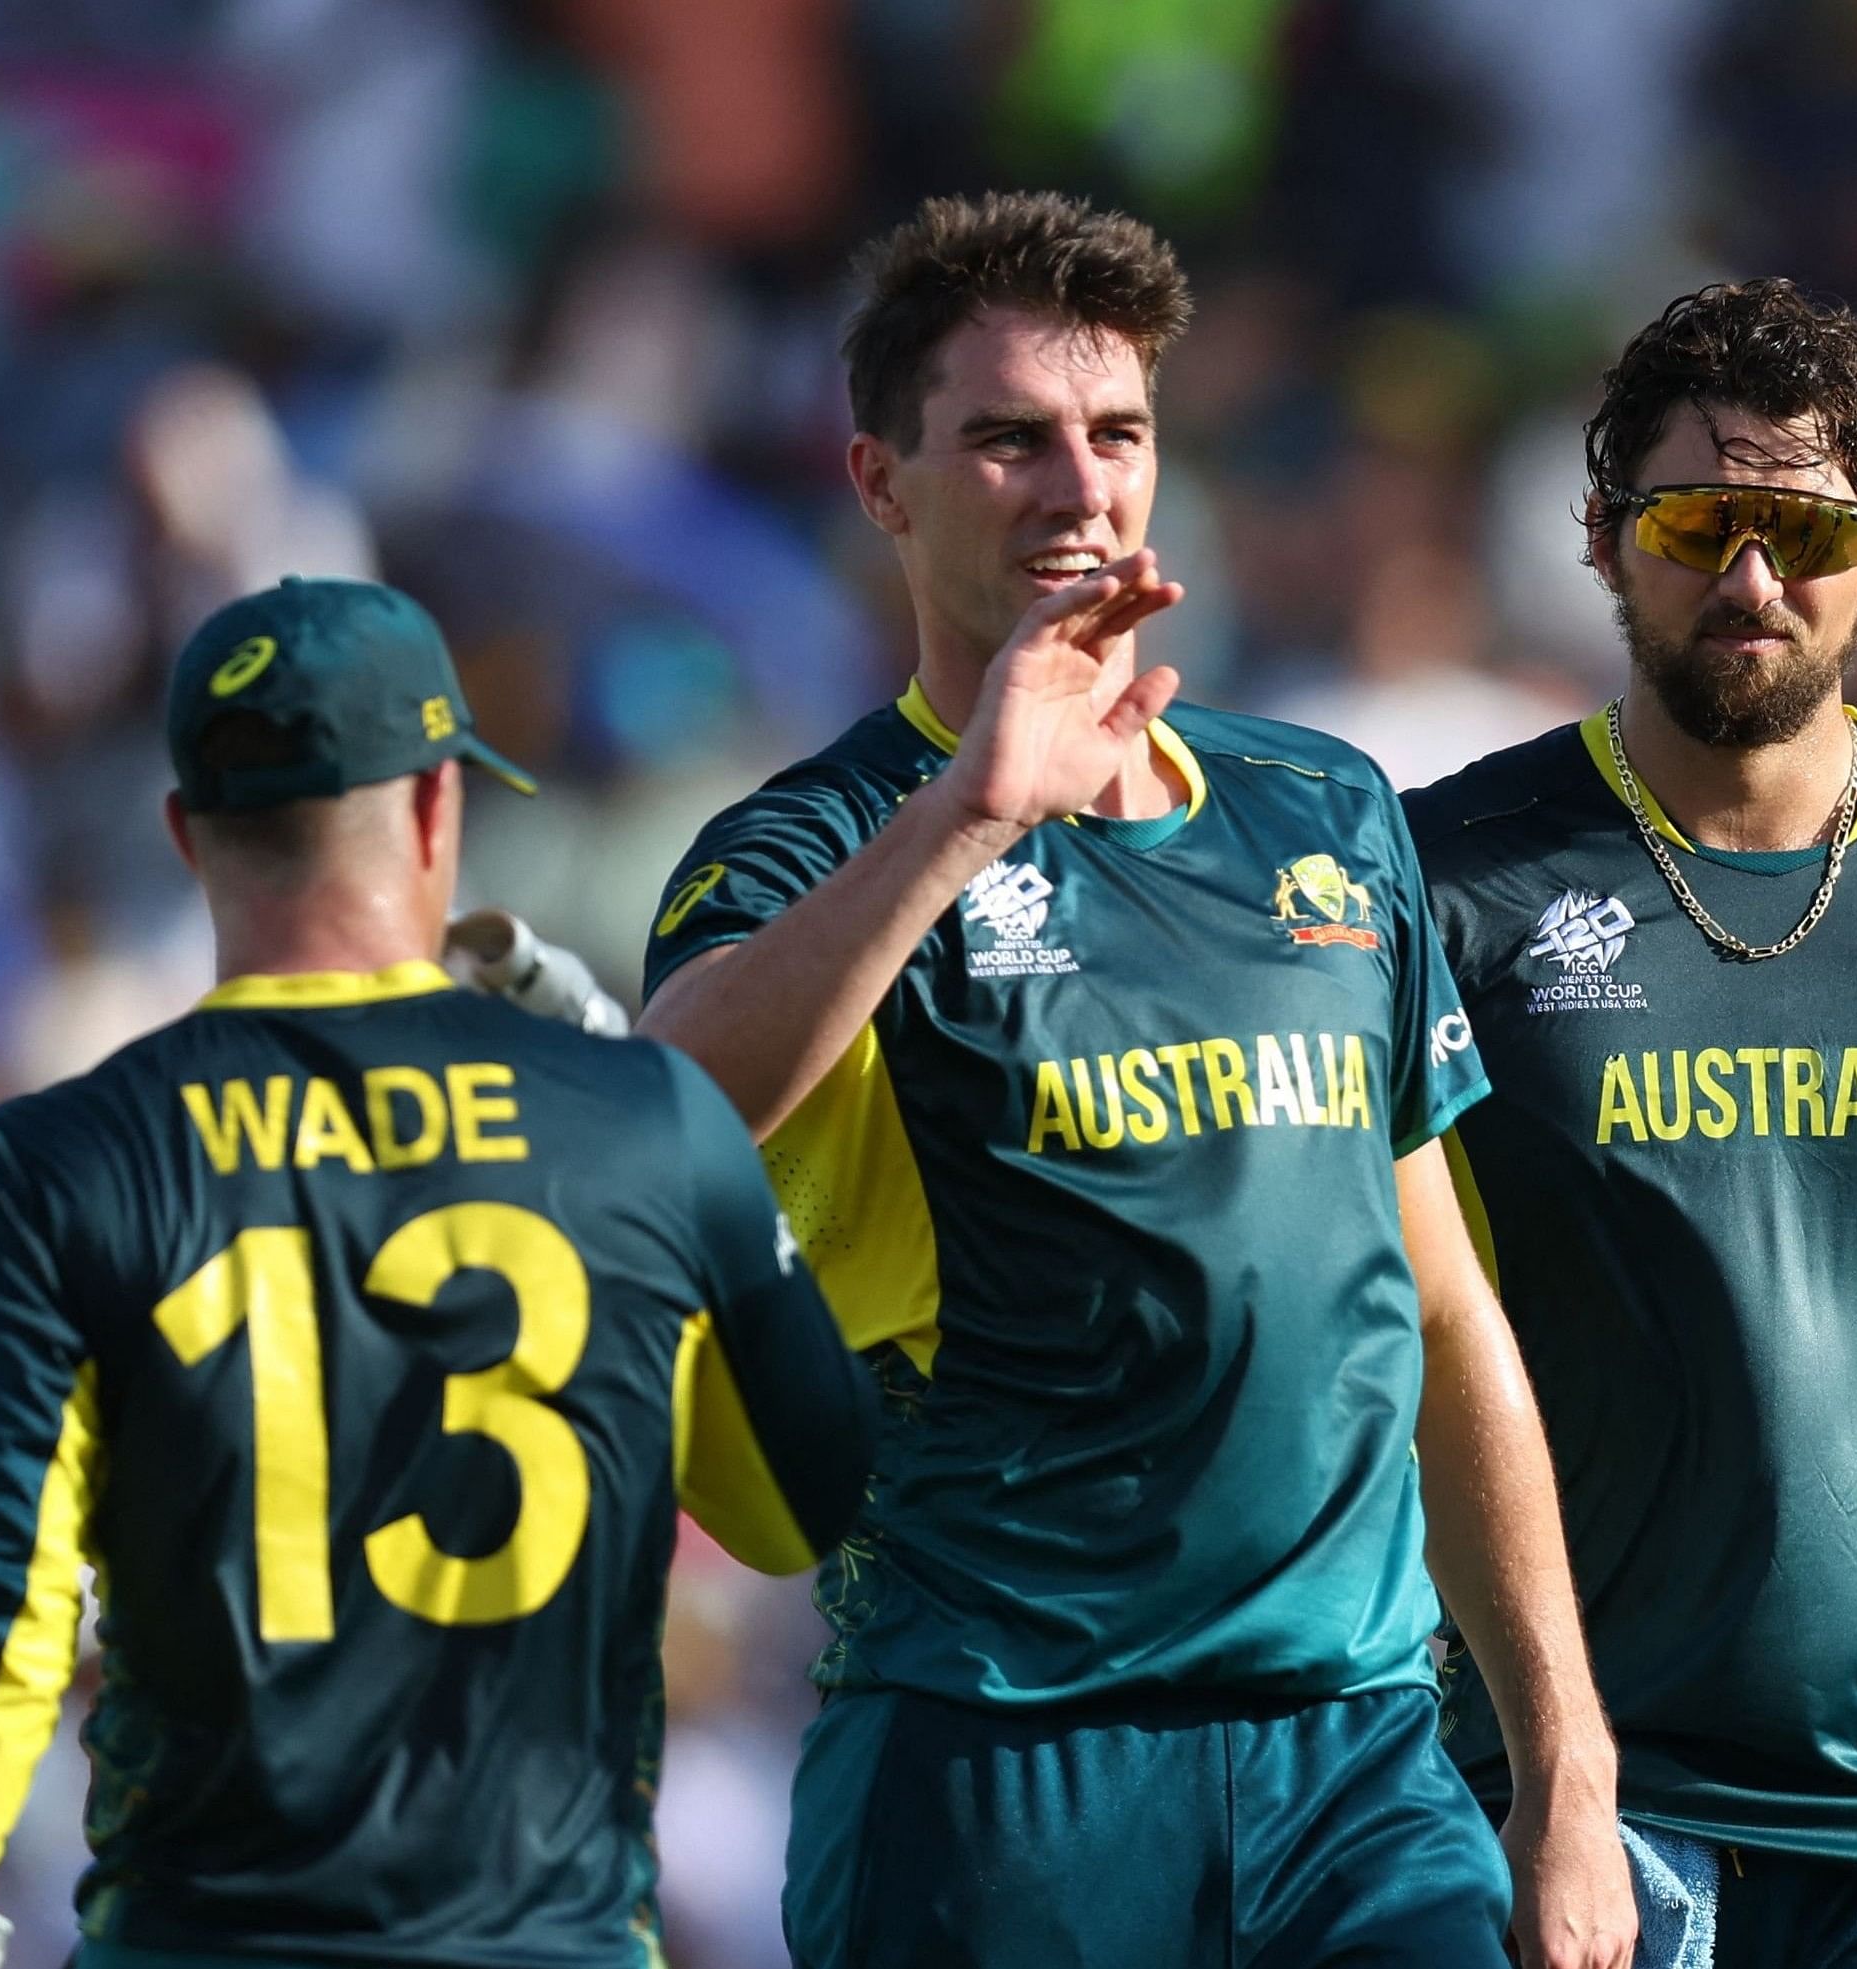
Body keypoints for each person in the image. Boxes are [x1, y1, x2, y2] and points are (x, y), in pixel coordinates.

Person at [636, 191, 1632, 1969]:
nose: (1075, 485)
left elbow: (1444, 1309)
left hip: (1358, 1762)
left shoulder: (1321, 808)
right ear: (880, 483)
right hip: (1002, 1749)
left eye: (1117, 433)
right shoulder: (819, 840)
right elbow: (658, 1125)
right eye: (1006, 438)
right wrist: (969, 815)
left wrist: (1565, 1763)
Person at [0, 577, 873, 1969]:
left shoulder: (57, 1161)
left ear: (189, 836)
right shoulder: (646, 1124)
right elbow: (805, 1498)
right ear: (440, 809)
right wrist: (685, 1170)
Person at [1404, 279, 1857, 1969]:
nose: (1748, 577)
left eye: (1800, 529)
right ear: (1600, 539)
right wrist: (1557, 1775)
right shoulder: (1442, 879)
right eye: (1695, 520)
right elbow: (1408, 1350)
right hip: (1587, 1789)